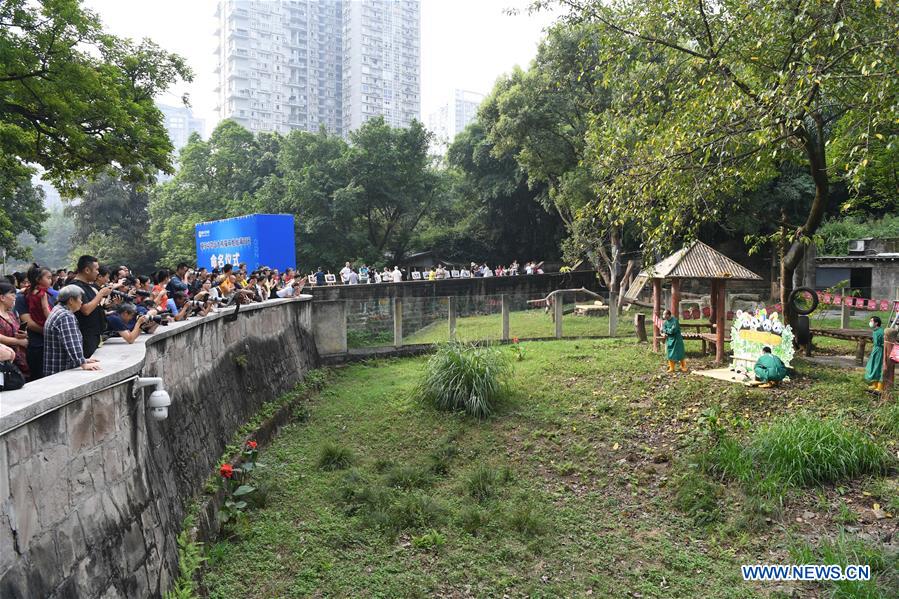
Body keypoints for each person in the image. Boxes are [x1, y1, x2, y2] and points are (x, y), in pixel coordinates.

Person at [43, 285, 101, 375]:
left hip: (54, 368)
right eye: (80, 299)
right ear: (71, 300)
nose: (81, 302)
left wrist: (83, 359)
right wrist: (83, 363)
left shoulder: (57, 309)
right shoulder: (66, 316)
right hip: (61, 370)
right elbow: (71, 342)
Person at [72, 255, 122, 358]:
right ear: (87, 270)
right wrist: (101, 294)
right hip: (85, 335)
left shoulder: (88, 286)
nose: (98, 272)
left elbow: (95, 305)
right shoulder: (75, 286)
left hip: (94, 334)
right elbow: (85, 310)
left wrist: (109, 304)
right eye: (96, 269)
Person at [25, 265, 52, 377]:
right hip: (44, 323)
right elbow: (45, 309)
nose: (51, 280)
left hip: (37, 322)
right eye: (48, 278)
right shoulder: (43, 293)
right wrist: (53, 320)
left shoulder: (28, 292)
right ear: (38, 279)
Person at [0, 281, 29, 378]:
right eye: (12, 295)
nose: (14, 298)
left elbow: (17, 330)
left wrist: (23, 334)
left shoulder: (11, 314)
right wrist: (17, 341)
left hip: (20, 359)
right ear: (2, 297)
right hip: (5, 361)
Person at [661, 309, 687, 373]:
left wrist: (667, 330)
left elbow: (673, 330)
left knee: (680, 352)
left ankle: (683, 366)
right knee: (669, 353)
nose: (663, 316)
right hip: (669, 339)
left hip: (677, 339)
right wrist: (666, 331)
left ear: (668, 315)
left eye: (664, 314)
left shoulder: (675, 321)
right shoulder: (665, 322)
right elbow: (663, 329)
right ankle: (671, 367)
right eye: (663, 314)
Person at [865, 316, 884, 392]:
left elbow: (883, 342)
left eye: (871, 321)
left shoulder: (881, 332)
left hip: (880, 351)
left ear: (876, 323)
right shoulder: (875, 331)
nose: (870, 322)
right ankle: (874, 384)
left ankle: (880, 386)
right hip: (875, 350)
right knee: (872, 366)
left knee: (878, 367)